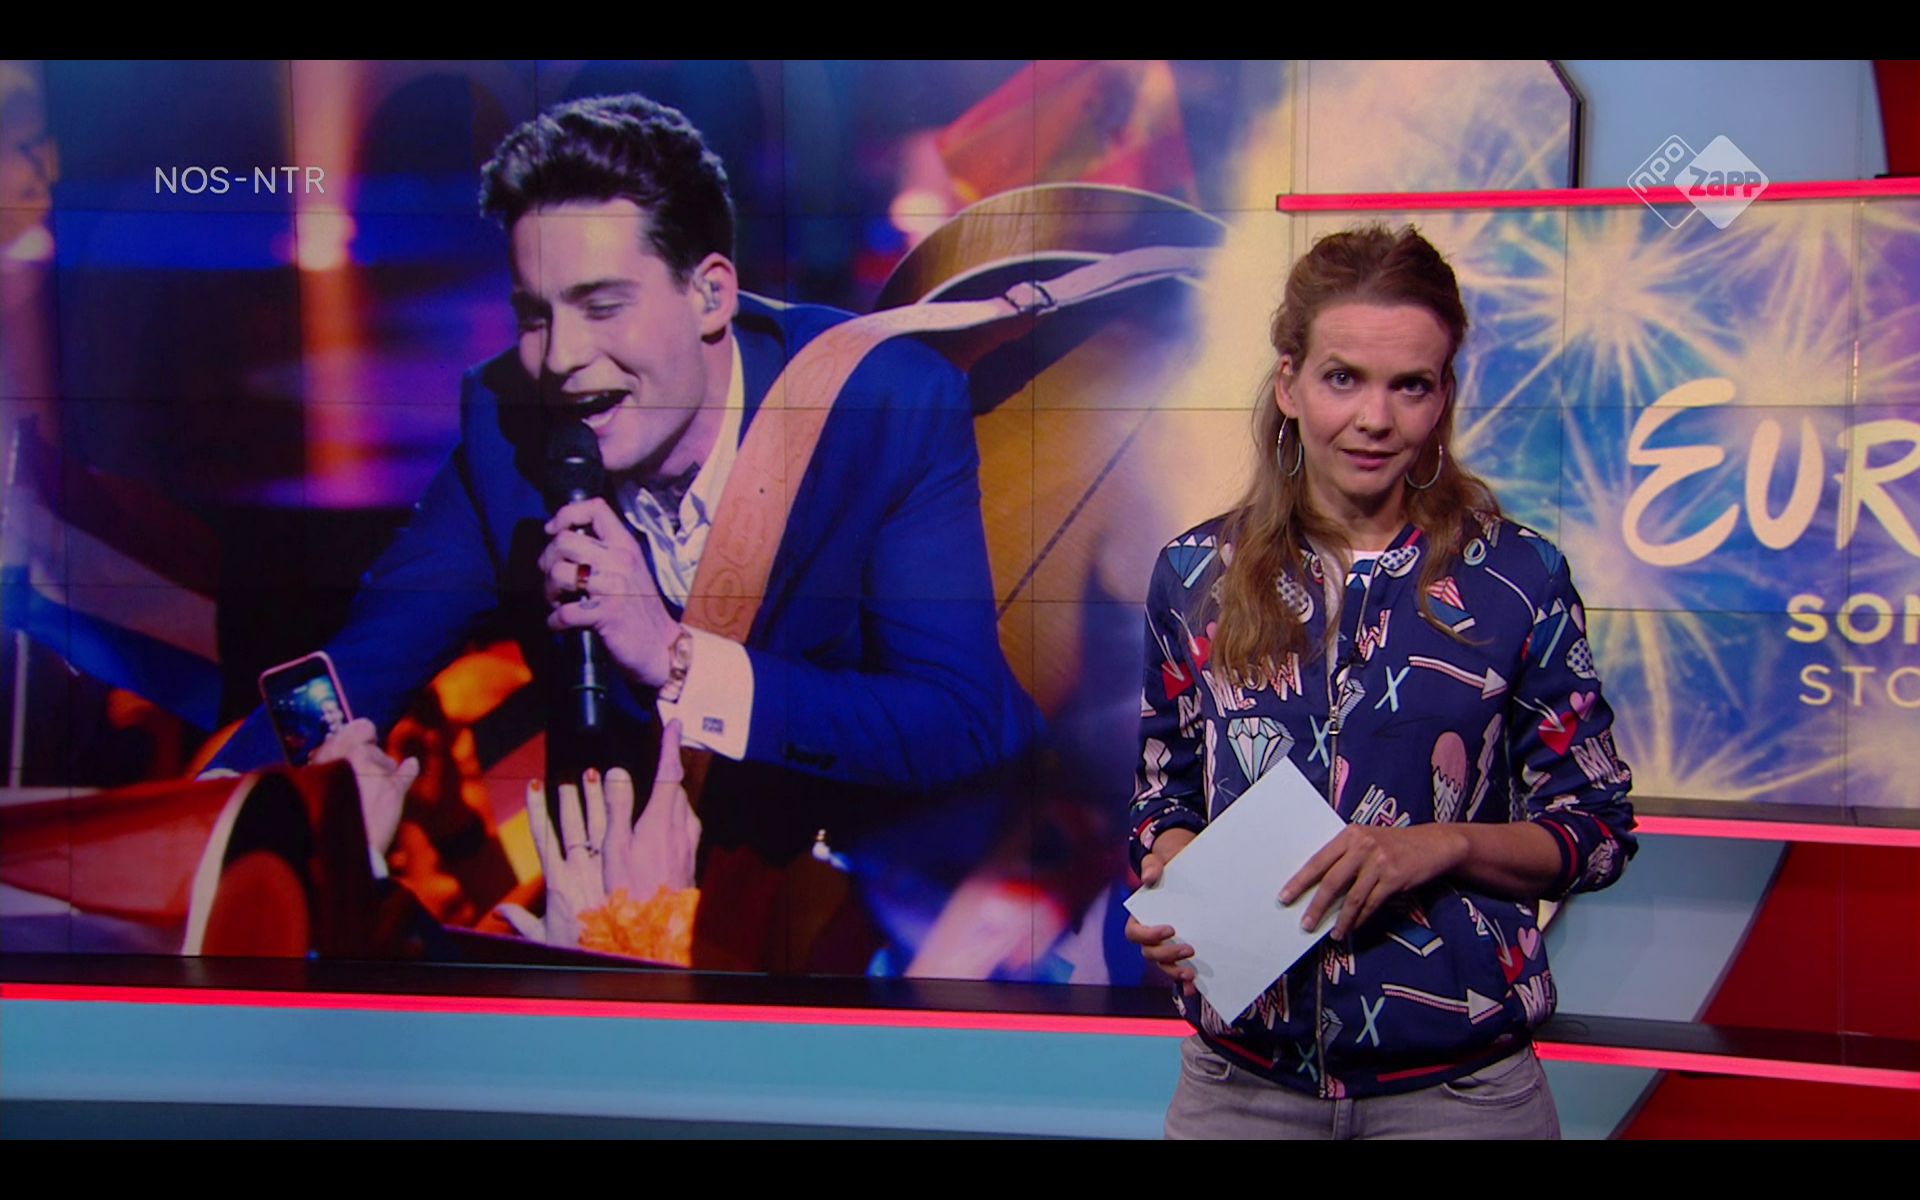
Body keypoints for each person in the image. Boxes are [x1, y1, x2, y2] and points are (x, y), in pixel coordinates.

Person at [212, 93, 1033, 972]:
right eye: (536, 315)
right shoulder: (509, 429)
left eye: (601, 306)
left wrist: (678, 659)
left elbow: (963, 725)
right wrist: (222, 810)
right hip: (628, 939)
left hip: (875, 930)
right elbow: (365, 661)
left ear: (710, 293)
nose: (561, 357)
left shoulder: (881, 406)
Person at [1125, 225, 1636, 1138]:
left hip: (1461, 1098)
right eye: (1343, 378)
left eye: (1410, 385)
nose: (1375, 418)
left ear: (1444, 397)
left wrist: (1443, 845)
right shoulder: (1194, 574)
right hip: (1239, 1089)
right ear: (1290, 383)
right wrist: (1173, 871)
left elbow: (1595, 831)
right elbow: (1163, 790)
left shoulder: (1519, 579)